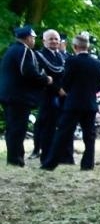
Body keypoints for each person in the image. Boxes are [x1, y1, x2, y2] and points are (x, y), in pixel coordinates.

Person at [43, 33, 100, 171]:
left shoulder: (71, 61)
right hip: (90, 104)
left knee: (63, 133)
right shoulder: (97, 64)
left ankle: (50, 163)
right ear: (88, 46)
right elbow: (99, 84)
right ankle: (88, 164)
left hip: (74, 103)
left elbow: (66, 81)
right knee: (89, 136)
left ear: (75, 47)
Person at [1, 26, 52, 167]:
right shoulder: (24, 51)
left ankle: (13, 158)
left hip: (8, 95)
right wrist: (45, 79)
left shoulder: (11, 50)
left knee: (12, 128)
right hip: (19, 96)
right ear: (28, 38)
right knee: (18, 128)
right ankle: (16, 159)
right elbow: (28, 71)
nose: (34, 40)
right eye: (33, 38)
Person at [32, 30, 68, 159]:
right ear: (44, 41)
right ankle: (43, 153)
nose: (54, 41)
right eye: (51, 39)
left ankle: (60, 152)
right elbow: (41, 76)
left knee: (62, 124)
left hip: (63, 96)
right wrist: (57, 89)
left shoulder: (63, 56)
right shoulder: (38, 56)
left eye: (56, 39)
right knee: (47, 125)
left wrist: (65, 89)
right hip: (47, 95)